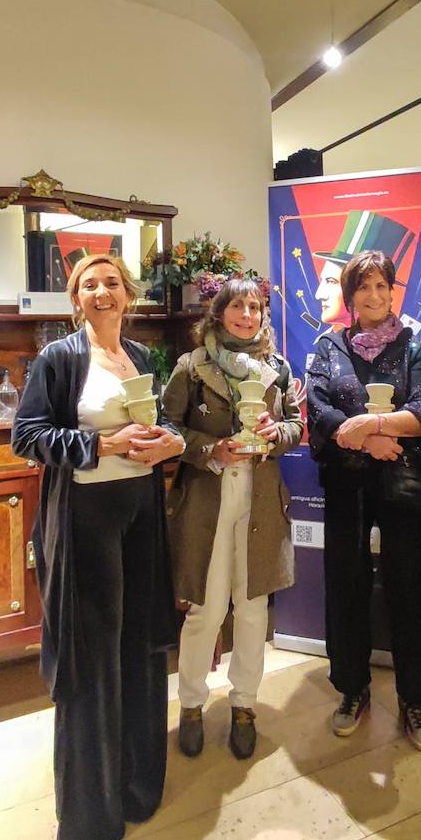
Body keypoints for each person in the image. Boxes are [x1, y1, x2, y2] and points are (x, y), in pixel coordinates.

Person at [12, 253, 184, 840]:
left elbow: (153, 424)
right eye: (90, 284)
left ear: (127, 293)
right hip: (86, 522)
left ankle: (139, 787)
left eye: (112, 282)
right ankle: (93, 814)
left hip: (140, 515)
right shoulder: (58, 359)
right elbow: (27, 435)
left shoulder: (140, 359)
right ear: (75, 298)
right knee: (93, 657)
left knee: (137, 648)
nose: (103, 291)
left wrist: (165, 442)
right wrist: (100, 443)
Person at [306, 249, 421, 748]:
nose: (373, 295)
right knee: (345, 584)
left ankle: (415, 700)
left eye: (381, 286)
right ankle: (352, 688)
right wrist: (369, 439)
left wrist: (377, 425)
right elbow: (317, 411)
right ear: (349, 297)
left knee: (409, 585)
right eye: (362, 287)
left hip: (402, 482)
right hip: (346, 484)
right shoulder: (328, 348)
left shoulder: (415, 350)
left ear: (392, 292)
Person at [163, 277, 303, 759]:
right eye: (237, 306)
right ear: (219, 313)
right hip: (207, 503)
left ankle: (245, 705)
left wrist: (275, 431)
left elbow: (296, 426)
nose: (247, 315)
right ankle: (192, 705)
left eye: (256, 307)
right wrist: (209, 448)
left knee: (251, 609)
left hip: (260, 501)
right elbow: (167, 428)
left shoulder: (276, 369)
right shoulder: (191, 367)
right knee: (203, 610)